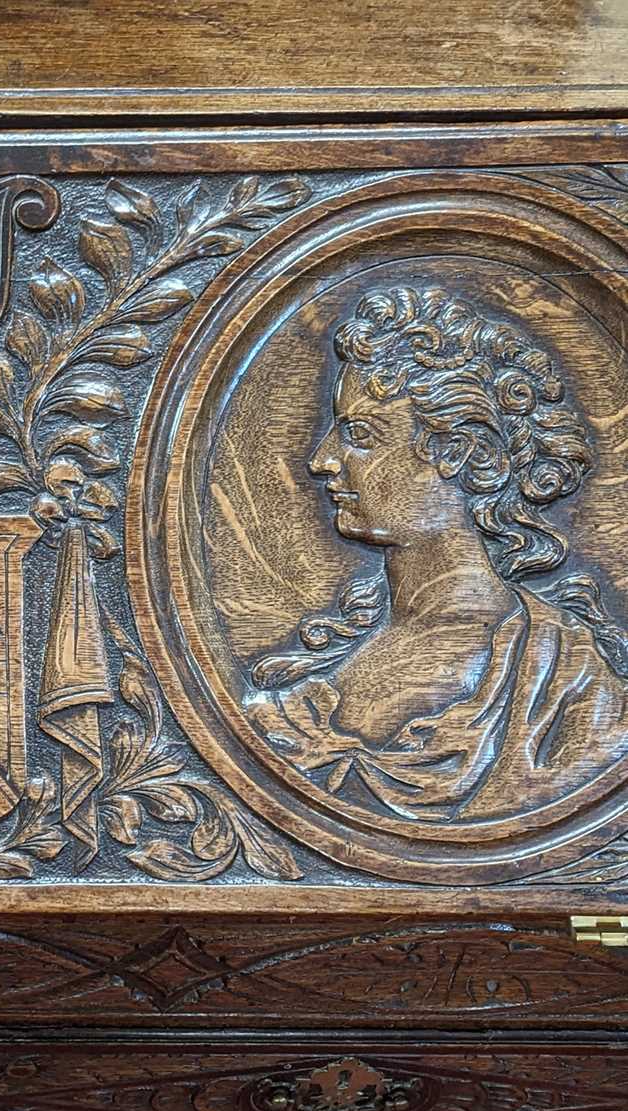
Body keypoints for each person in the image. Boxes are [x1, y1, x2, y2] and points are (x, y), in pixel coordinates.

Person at [244, 284, 628, 821]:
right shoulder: (358, 637)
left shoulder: (564, 676)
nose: (323, 459)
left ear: (460, 452)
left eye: (359, 434)